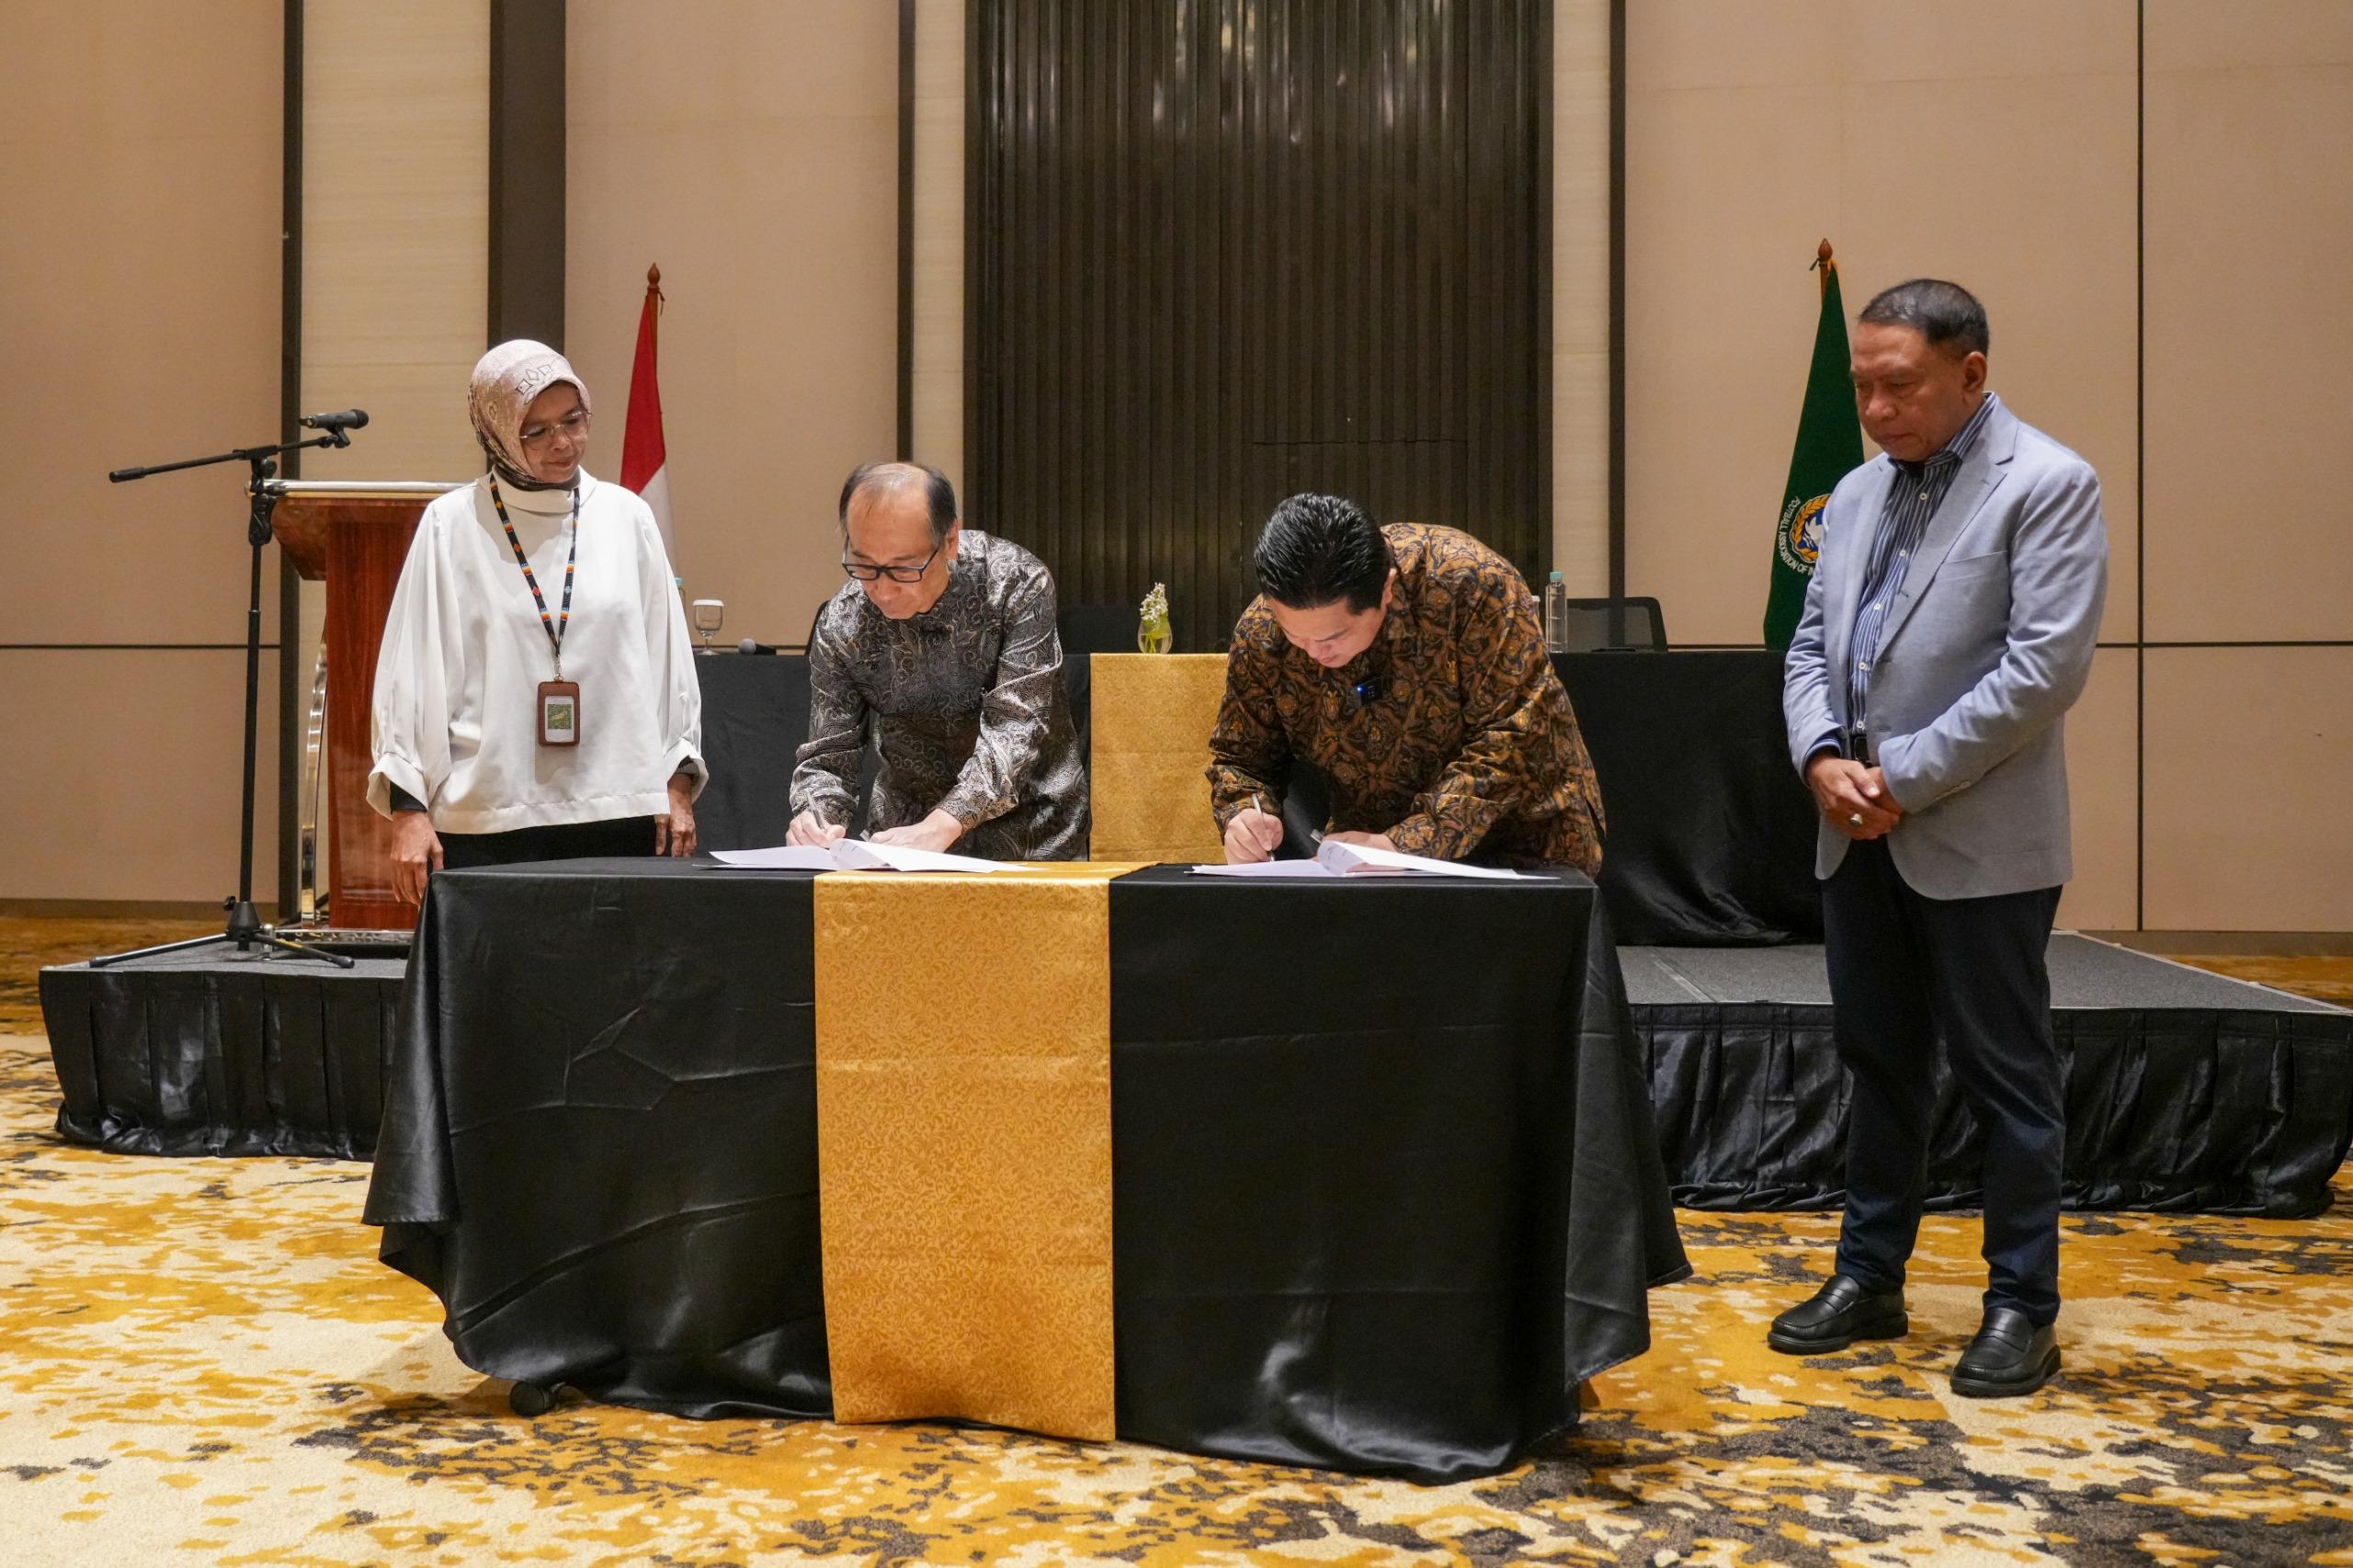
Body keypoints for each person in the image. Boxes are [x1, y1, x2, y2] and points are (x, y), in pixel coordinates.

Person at [1775, 278, 2108, 1398]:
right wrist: (1822, 757)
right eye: (1862, 385)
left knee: (2005, 1076)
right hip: (1854, 832)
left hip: (1977, 840)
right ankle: (1869, 1276)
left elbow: (2041, 671)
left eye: (1898, 385)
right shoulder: (1855, 491)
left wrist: (1899, 778)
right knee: (1878, 1063)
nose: (1874, 408)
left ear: (1970, 374)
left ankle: (2021, 1304)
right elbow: (1808, 648)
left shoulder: (2048, 484)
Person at [369, 339, 705, 904]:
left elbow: (668, 664)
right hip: (488, 819)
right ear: (497, 432)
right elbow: (413, 673)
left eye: (573, 420)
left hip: (618, 812)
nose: (562, 442)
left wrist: (676, 784)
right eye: (536, 430)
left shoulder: (627, 517)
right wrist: (409, 811)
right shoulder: (451, 525)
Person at [1206, 494, 1605, 871]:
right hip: (1372, 854)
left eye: (1332, 638)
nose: (1313, 653)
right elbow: (1243, 757)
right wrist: (1244, 813)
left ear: (1387, 589)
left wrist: (1406, 843)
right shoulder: (1263, 630)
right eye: (1296, 636)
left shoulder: (1471, 585)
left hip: (1522, 840)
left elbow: (1514, 738)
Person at [787, 462, 1087, 859]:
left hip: (1032, 835)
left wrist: (944, 823)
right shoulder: (844, 620)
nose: (882, 590)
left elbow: (1016, 727)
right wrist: (815, 817)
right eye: (864, 565)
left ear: (950, 541)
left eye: (903, 568)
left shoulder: (1014, 583)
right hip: (902, 840)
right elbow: (830, 753)